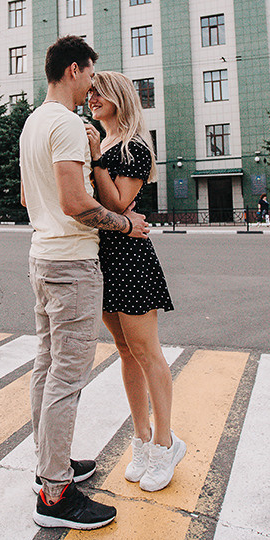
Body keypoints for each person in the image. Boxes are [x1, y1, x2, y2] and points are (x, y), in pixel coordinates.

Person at [19, 36, 150, 530]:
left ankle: (49, 466)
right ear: (74, 71)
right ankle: (55, 496)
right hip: (72, 264)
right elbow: (76, 203)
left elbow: (32, 201)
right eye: (91, 76)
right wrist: (126, 225)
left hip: (41, 258)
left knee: (47, 366)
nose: (93, 85)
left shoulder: (33, 123)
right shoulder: (69, 126)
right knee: (66, 377)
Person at [85, 71, 185, 492]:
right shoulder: (102, 142)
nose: (91, 99)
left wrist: (93, 161)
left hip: (131, 258)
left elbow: (118, 204)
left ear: (120, 98)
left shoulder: (135, 147)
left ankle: (165, 443)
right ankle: (141, 439)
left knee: (146, 351)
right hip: (103, 257)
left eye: (99, 93)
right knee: (124, 351)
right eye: (89, 93)